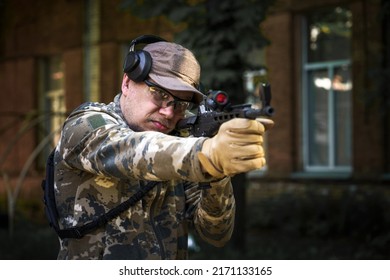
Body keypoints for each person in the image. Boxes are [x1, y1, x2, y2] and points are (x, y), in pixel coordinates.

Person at [53, 35, 273, 260]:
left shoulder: (183, 140)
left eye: (181, 104)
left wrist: (216, 173)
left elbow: (216, 233)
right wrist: (205, 154)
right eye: (159, 94)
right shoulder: (86, 124)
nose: (169, 112)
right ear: (127, 82)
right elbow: (131, 150)